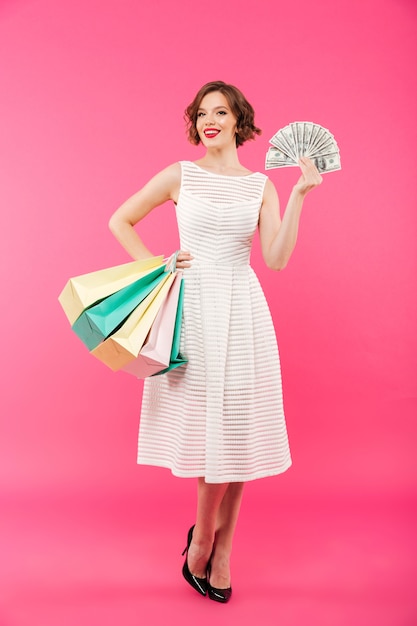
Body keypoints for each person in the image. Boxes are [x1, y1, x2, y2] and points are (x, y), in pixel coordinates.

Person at [108, 80, 322, 603]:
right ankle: (203, 538)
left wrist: (297, 195)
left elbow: (274, 259)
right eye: (203, 113)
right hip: (195, 308)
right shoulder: (179, 176)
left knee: (240, 435)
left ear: (238, 121)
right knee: (211, 437)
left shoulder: (260, 187)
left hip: (243, 309)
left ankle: (221, 551)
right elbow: (121, 219)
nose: (210, 120)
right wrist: (159, 264)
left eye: (221, 112)